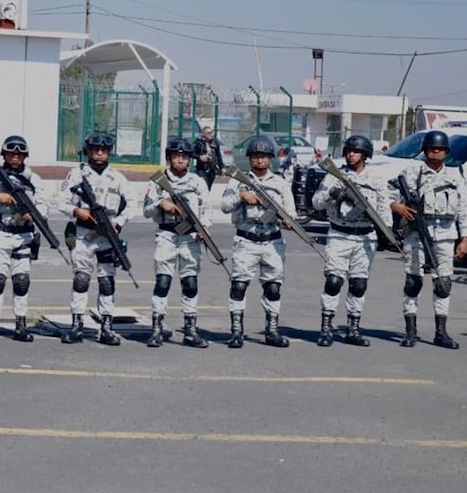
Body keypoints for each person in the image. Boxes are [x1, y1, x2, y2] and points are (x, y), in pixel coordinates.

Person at [389, 130, 467, 349]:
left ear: (446, 152)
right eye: (432, 148)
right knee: (413, 281)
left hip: (445, 235)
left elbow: (465, 208)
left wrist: (465, 237)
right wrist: (395, 206)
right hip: (417, 232)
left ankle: (441, 332)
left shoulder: (455, 176)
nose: (436, 152)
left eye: (440, 149)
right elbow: (387, 192)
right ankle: (410, 331)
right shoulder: (411, 173)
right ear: (425, 150)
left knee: (443, 284)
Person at [310, 135, 392, 347]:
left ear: (365, 155)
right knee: (334, 281)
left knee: (358, 284)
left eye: (356, 151)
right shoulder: (333, 176)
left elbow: (384, 208)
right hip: (340, 234)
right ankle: (326, 328)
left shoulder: (376, 178)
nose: (351, 154)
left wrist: (387, 232)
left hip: (365, 236)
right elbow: (316, 202)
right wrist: (332, 193)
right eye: (348, 151)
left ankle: (352, 328)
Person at [57, 131, 133, 346]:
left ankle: (107, 327)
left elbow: (133, 204)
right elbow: (61, 201)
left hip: (107, 233)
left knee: (107, 281)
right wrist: (76, 211)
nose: (99, 154)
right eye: (95, 150)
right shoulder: (76, 175)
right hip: (83, 233)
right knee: (81, 279)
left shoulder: (118, 178)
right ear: (89, 151)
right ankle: (77, 325)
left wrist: (118, 222)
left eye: (104, 150)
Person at [220, 136, 296, 348]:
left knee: (273, 288)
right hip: (246, 241)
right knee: (239, 286)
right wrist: (241, 195)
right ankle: (236, 332)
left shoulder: (280, 183)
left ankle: (272, 331)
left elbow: (291, 213)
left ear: (270, 159)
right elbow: (225, 205)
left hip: (272, 242)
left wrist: (287, 221)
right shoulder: (238, 181)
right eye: (255, 156)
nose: (259, 161)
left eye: (263, 157)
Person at [0, 135, 45, 342]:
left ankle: (20, 325)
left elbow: (44, 205)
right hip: (1, 233)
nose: (15, 156)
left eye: (19, 153)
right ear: (4, 154)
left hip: (24, 235)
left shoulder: (33, 179)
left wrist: (35, 214)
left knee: (21, 281)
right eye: (11, 152)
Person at [141, 138, 211, 348]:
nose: (180, 160)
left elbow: (206, 210)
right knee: (163, 282)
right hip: (167, 236)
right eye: (176, 156)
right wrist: (161, 203)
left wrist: (204, 230)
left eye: (184, 156)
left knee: (190, 283)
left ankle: (190, 330)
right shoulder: (158, 181)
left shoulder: (197, 182)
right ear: (169, 157)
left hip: (190, 237)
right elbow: (146, 210)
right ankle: (156, 328)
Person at [193, 126, 225, 190]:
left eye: (211, 132)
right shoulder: (198, 143)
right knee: (203, 185)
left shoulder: (215, 142)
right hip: (201, 169)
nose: (211, 134)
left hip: (212, 169)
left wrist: (222, 167)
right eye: (208, 133)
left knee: (210, 186)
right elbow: (191, 153)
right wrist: (200, 157)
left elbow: (218, 155)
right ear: (203, 134)